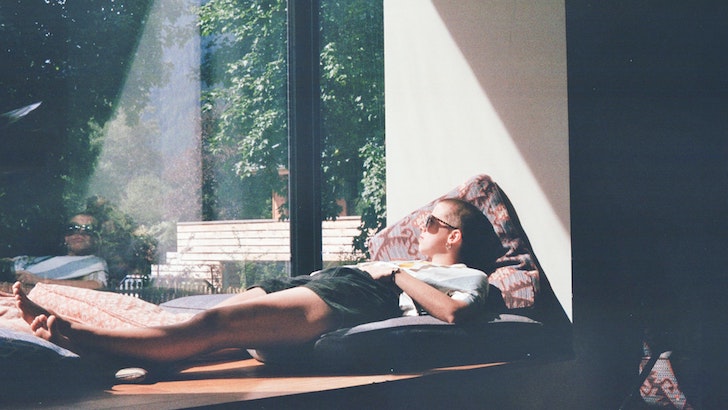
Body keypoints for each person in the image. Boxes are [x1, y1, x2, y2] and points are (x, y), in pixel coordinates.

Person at [14, 198, 504, 364]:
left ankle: (84, 337)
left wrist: (396, 274)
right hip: (326, 279)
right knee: (203, 326)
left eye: (433, 222)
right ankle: (111, 343)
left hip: (355, 292)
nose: (421, 226)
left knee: (215, 327)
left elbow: (456, 312)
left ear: (455, 236)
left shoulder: (468, 275)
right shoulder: (421, 261)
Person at [1, 213, 108, 289]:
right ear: (65, 237)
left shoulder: (93, 263)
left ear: (96, 239)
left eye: (88, 230)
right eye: (72, 228)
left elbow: (97, 285)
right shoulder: (48, 258)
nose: (79, 234)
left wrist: (40, 281)